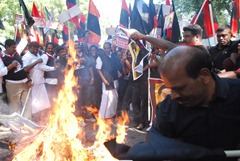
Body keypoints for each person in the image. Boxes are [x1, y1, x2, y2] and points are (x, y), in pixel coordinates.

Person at [151, 46, 240, 161]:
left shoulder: (236, 94)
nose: (174, 96)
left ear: (204, 76)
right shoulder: (170, 108)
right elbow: (155, 144)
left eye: (180, 88)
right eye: (170, 89)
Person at [1, 39, 42, 119]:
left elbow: (23, 69)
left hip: (24, 83)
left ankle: (27, 123)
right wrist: (11, 66)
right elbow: (1, 72)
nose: (14, 49)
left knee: (27, 103)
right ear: (7, 47)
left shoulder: (17, 55)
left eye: (15, 47)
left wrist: (29, 79)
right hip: (12, 85)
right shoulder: (2, 59)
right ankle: (15, 125)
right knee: (14, 105)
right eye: (12, 47)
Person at [22, 41, 55, 123]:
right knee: (35, 104)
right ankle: (35, 120)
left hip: (40, 81)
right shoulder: (26, 57)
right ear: (29, 48)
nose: (36, 51)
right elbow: (25, 69)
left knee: (43, 103)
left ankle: (42, 119)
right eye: (34, 49)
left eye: (37, 49)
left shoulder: (37, 55)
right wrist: (29, 80)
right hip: (33, 83)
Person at [96, 42, 121, 119]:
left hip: (114, 79)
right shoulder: (100, 57)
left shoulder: (113, 56)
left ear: (110, 48)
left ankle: (111, 114)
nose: (107, 50)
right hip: (107, 80)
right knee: (106, 97)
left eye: (108, 48)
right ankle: (104, 116)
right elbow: (98, 69)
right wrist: (104, 80)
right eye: (105, 48)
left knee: (114, 97)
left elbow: (116, 66)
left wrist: (118, 72)